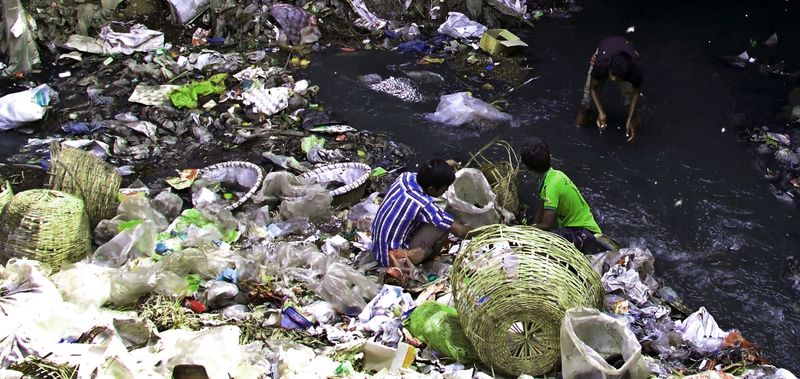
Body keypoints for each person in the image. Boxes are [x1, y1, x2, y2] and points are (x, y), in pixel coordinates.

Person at [371, 159, 471, 274]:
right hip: (393, 260)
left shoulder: (405, 178)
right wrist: (489, 231)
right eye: (445, 187)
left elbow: (427, 173)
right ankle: (427, 264)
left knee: (436, 218)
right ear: (431, 189)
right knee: (442, 227)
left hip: (379, 249)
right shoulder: (423, 204)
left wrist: (445, 166)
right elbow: (460, 232)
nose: (447, 190)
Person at [522, 138, 603, 253]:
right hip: (585, 228)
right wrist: (534, 225)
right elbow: (542, 206)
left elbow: (546, 224)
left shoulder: (551, 187)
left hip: (583, 233)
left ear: (528, 169)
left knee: (543, 241)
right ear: (550, 156)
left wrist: (527, 231)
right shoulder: (554, 175)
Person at [576, 36, 642, 142]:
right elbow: (593, 89)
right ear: (609, 66)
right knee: (586, 105)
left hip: (627, 57)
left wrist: (630, 117)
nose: (614, 80)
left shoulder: (634, 69)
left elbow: (636, 92)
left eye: (618, 78)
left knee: (632, 111)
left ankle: (634, 136)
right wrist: (601, 112)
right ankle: (577, 134)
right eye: (613, 76)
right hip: (606, 53)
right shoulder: (601, 64)